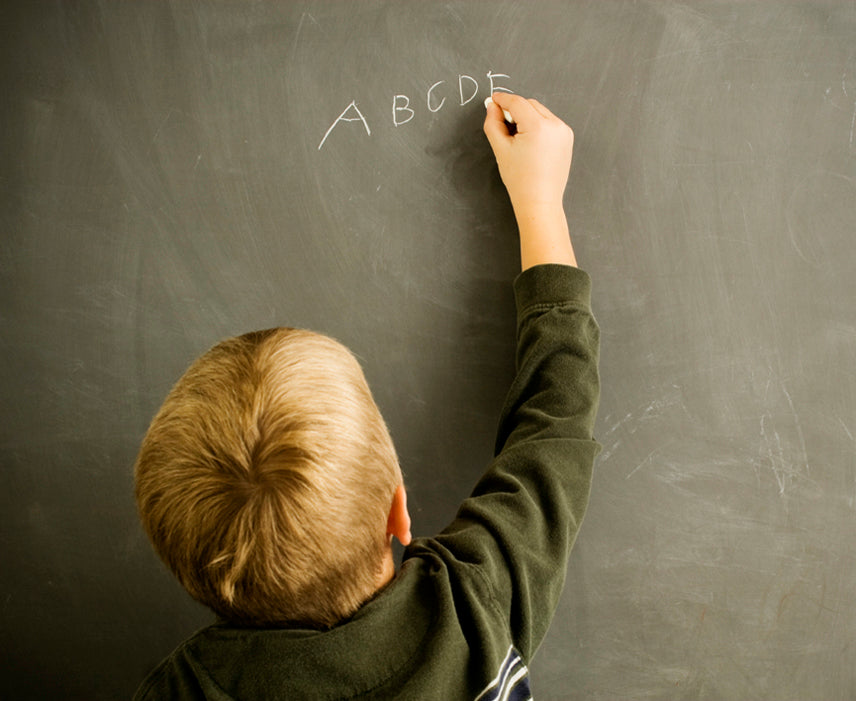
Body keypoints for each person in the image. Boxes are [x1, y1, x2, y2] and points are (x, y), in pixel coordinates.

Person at [133, 91, 600, 699]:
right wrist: (539, 203)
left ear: (188, 571)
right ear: (397, 512)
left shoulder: (182, 691)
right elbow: (555, 422)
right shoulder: (470, 611)